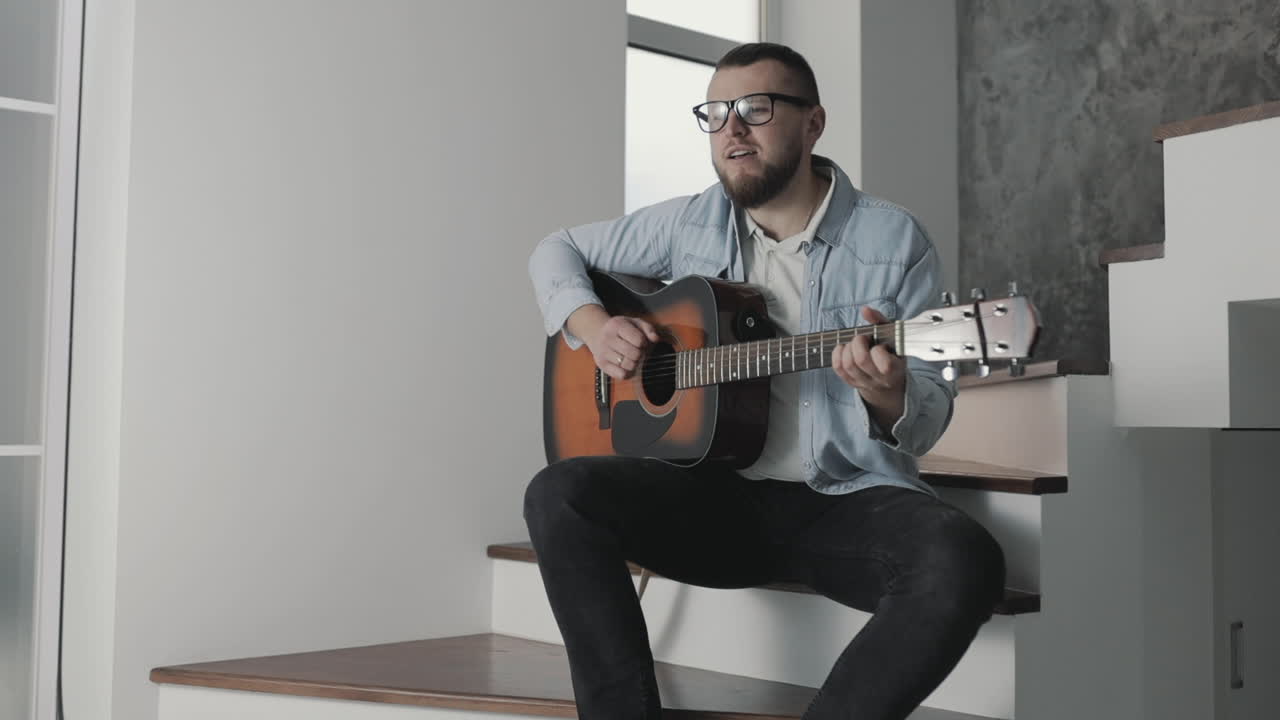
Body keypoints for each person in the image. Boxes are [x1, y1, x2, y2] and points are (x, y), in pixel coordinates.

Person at [524, 42, 1004, 720]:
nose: (732, 130)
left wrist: (886, 391)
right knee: (560, 493)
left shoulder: (894, 241)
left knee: (964, 557)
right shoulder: (689, 221)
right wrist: (597, 326)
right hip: (711, 500)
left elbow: (928, 415)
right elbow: (556, 250)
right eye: (716, 113)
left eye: (755, 108)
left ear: (813, 124)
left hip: (844, 500)